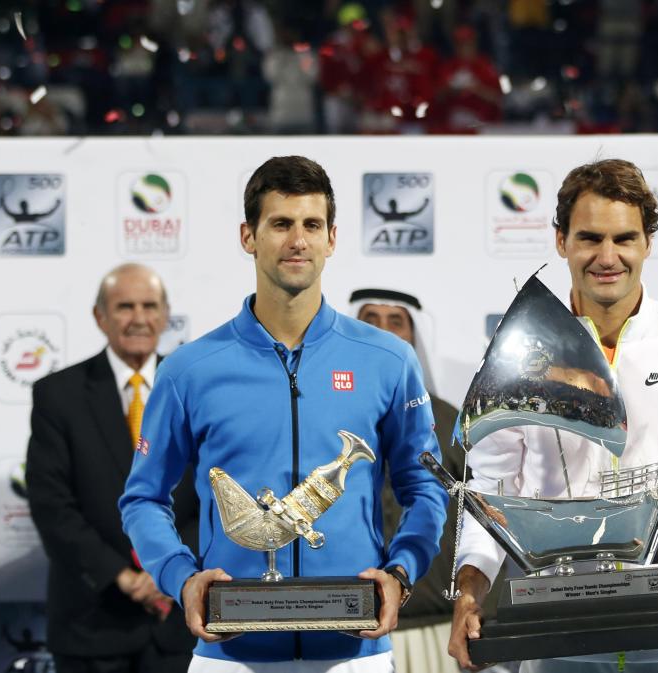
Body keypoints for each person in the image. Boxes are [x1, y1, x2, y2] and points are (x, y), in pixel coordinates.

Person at [447, 159, 658, 673]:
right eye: (589, 238)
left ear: (648, 242)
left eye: (625, 238)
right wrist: (469, 593)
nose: (608, 257)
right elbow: (488, 491)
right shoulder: (519, 354)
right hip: (556, 640)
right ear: (560, 241)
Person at [119, 155, 448, 673]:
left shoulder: (387, 360)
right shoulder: (189, 369)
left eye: (311, 225)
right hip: (228, 654)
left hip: (354, 653)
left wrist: (401, 573)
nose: (298, 241)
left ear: (332, 239)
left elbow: (426, 487)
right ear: (248, 236)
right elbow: (143, 498)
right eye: (281, 224)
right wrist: (182, 577)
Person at [26, 263, 198, 673]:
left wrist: (168, 571)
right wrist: (121, 577)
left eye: (149, 306)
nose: (139, 318)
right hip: (92, 623)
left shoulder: (195, 388)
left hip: (179, 623)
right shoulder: (58, 395)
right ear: (99, 317)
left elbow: (215, 495)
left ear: (164, 313)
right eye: (125, 306)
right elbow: (52, 505)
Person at [351, 288, 508, 673]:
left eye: (396, 321)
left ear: (414, 337)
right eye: (370, 320)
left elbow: (484, 521)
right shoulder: (326, 424)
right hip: (348, 626)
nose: (384, 332)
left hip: (432, 629)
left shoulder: (451, 421)